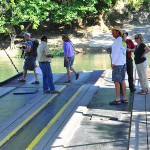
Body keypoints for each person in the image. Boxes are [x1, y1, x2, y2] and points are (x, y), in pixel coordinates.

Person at [109, 26, 127, 105]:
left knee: (116, 81)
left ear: (118, 32)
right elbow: (124, 51)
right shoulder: (123, 41)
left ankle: (117, 99)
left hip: (117, 63)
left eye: (113, 32)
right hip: (123, 63)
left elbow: (115, 53)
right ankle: (125, 98)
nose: (112, 34)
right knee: (122, 80)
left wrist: (113, 62)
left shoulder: (117, 41)